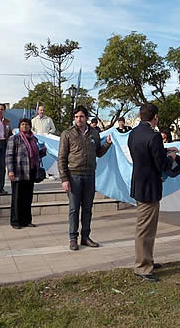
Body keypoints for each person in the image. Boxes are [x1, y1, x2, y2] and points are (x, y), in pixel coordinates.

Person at [128, 103, 178, 282]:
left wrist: (164, 150)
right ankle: (142, 267)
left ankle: (147, 260)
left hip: (139, 185)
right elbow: (160, 164)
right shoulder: (154, 136)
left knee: (146, 227)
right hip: (150, 187)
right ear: (154, 117)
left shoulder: (133, 133)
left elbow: (145, 154)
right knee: (146, 229)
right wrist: (170, 158)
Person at [58, 105, 112, 251]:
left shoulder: (94, 133)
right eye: (76, 117)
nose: (78, 119)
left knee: (87, 208)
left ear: (86, 118)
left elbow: (99, 153)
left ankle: (85, 237)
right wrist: (64, 179)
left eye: (81, 116)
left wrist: (107, 144)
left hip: (90, 175)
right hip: (74, 175)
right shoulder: (67, 134)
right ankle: (73, 238)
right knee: (74, 209)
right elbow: (62, 158)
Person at [7, 118, 47, 229]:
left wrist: (43, 150)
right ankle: (16, 221)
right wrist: (10, 170)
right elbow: (9, 156)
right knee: (17, 198)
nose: (25, 126)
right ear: (19, 126)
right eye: (23, 124)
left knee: (28, 197)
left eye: (27, 124)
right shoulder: (14, 138)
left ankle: (26, 220)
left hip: (31, 171)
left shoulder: (33, 139)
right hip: (19, 171)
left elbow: (35, 155)